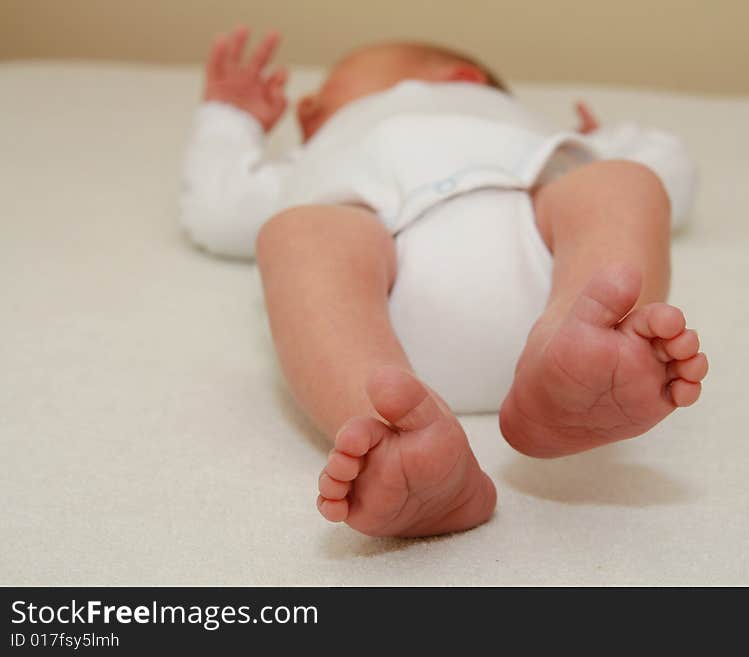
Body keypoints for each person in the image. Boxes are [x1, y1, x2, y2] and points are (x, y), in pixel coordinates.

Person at [180, 26, 709, 538]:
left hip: (558, 289)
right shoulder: (308, 165)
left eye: (332, 85)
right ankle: (398, 441)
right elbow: (218, 211)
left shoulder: (533, 137)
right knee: (296, 234)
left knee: (625, 183)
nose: (305, 109)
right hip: (384, 331)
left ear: (461, 78)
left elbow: (673, 178)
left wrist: (610, 143)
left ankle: (574, 357)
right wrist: (230, 118)